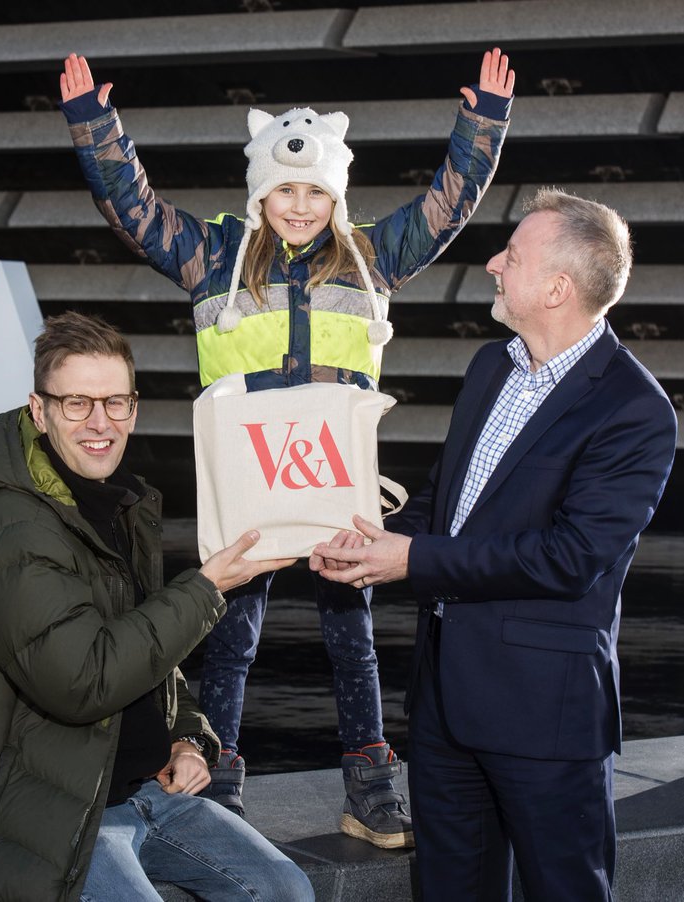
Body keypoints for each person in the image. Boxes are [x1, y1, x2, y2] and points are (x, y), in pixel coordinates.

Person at [58, 48, 514, 845]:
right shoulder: (213, 258)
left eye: (313, 192)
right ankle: (220, 789)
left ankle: (369, 791)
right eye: (283, 191)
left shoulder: (373, 256)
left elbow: (449, 205)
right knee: (230, 641)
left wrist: (481, 126)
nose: (298, 206)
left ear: (334, 195)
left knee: (353, 640)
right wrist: (98, 129)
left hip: (334, 481)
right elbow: (133, 206)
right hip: (246, 484)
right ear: (259, 193)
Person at [310, 188, 678, 900]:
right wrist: (370, 547)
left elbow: (569, 559)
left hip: (546, 716)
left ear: (555, 288)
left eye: (511, 255)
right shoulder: (491, 367)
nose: (492, 264)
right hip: (447, 704)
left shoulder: (635, 410)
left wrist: (411, 561)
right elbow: (446, 504)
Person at [0, 312, 311, 901]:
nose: (100, 423)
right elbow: (81, 681)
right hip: (45, 808)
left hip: (150, 791)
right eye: (77, 403)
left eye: (115, 402)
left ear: (134, 408)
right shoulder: (7, 525)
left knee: (286, 891)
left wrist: (186, 739)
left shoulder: (123, 504)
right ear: (38, 410)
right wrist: (206, 587)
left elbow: (150, 653)